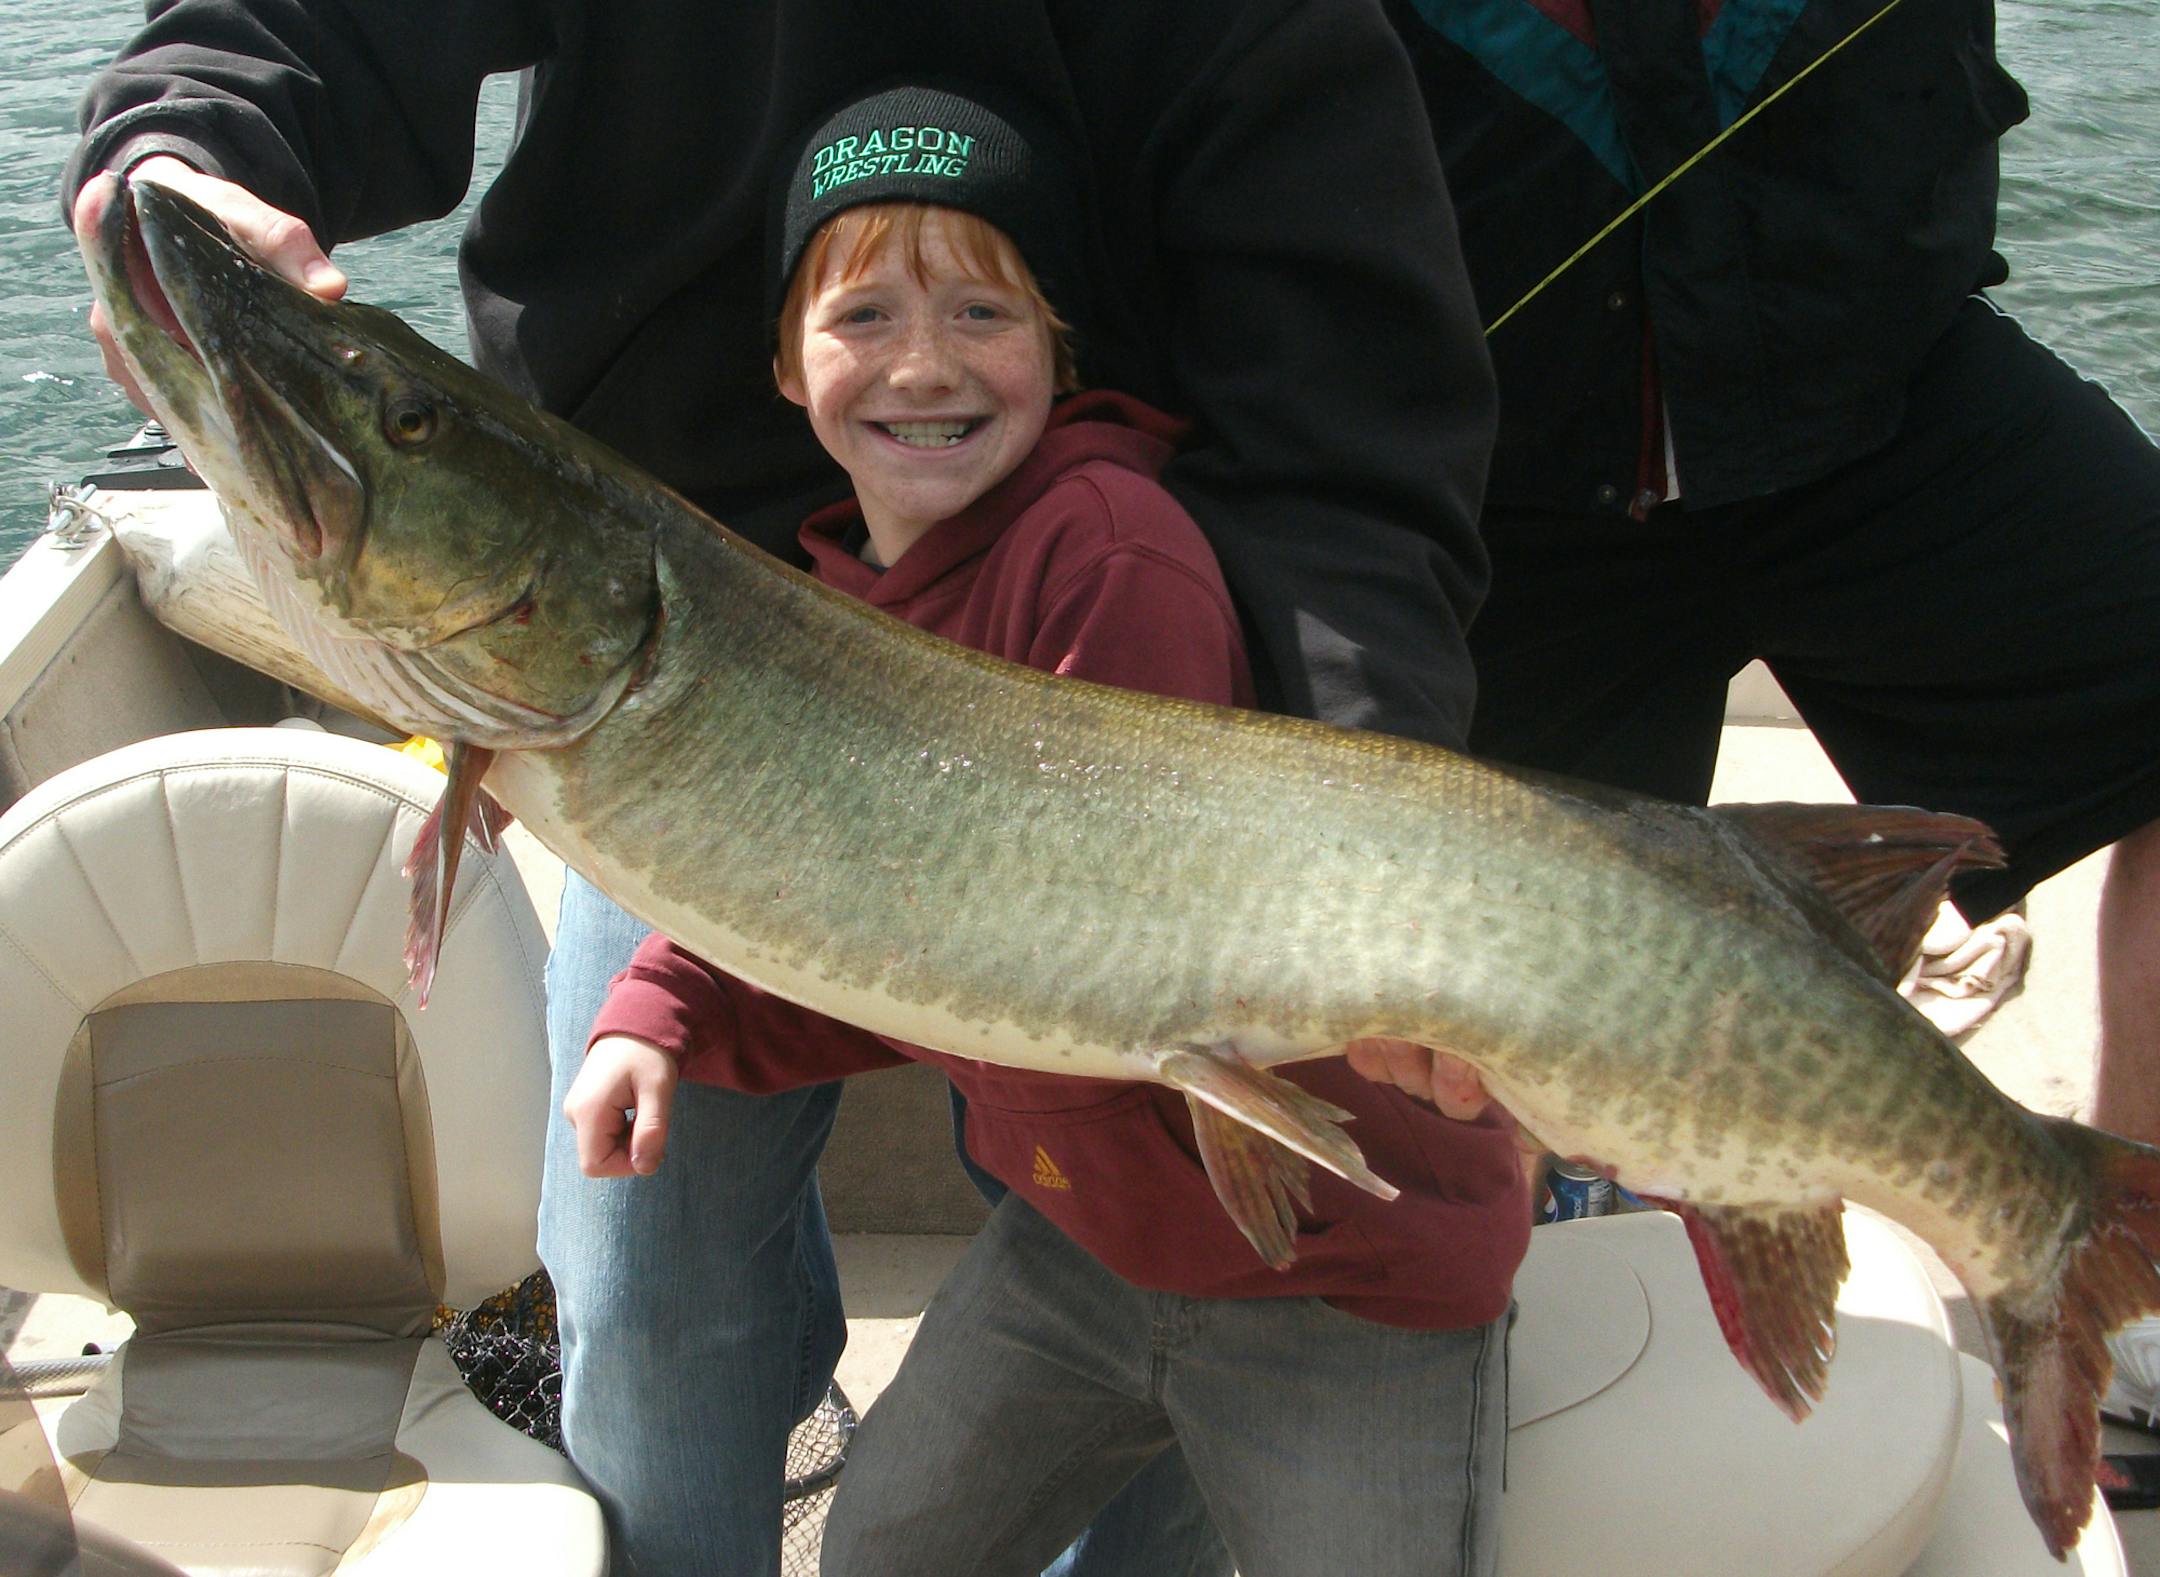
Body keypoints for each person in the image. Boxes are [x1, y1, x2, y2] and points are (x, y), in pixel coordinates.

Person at [66, 6, 1501, 1571]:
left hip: (1077, 634)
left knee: (1141, 1249)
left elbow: (1350, 395)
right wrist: (179, 138)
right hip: (647, 628)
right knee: (646, 1291)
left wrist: (1376, 861)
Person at [567, 82, 1528, 1577]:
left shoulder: (1107, 547)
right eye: (862, 315)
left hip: (1351, 1276)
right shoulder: (838, 612)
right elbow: (833, 891)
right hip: (1085, 1247)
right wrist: (659, 1010)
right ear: (781, 366)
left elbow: (1024, 914)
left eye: (982, 313)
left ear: (1059, 350)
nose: (923, 363)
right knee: (881, 1546)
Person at [1372, 0, 2160, 1401]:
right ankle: (1526, 1273)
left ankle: (2127, 1281)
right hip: (1509, 481)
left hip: (1876, 407)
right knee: (1421, 940)